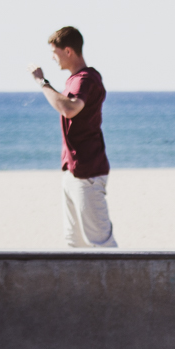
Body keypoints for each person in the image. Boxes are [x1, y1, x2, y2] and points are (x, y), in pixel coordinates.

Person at [28, 26, 117, 248]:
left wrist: (42, 83)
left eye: (54, 52)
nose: (52, 57)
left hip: (87, 172)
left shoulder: (85, 79)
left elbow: (69, 108)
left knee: (101, 243)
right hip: (74, 170)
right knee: (75, 243)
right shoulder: (76, 80)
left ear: (68, 51)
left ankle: (122, 284)